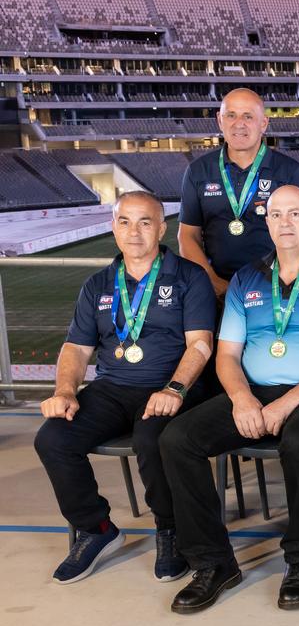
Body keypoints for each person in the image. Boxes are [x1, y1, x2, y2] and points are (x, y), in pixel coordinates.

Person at [160, 185, 299, 613]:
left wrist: (287, 405)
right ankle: (213, 562)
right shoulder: (247, 278)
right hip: (254, 390)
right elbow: (227, 353)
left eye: (295, 214)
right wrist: (242, 399)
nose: (285, 222)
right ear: (266, 223)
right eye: (276, 214)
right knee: (177, 439)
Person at [34, 191, 215, 584]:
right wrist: (65, 391)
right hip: (111, 390)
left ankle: (170, 530)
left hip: (173, 388)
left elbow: (200, 343)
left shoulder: (188, 276)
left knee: (152, 439)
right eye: (124, 221)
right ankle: (96, 529)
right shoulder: (97, 283)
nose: (134, 232)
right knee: (53, 439)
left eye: (145, 222)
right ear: (113, 227)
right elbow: (76, 348)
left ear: (161, 228)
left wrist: (175, 389)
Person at [178, 88, 299, 297]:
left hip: (275, 289)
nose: (239, 123)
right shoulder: (198, 171)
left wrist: (283, 284)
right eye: (231, 115)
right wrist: (214, 284)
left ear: (263, 123)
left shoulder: (289, 171)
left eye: (248, 116)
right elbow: (187, 236)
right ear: (220, 121)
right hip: (215, 290)